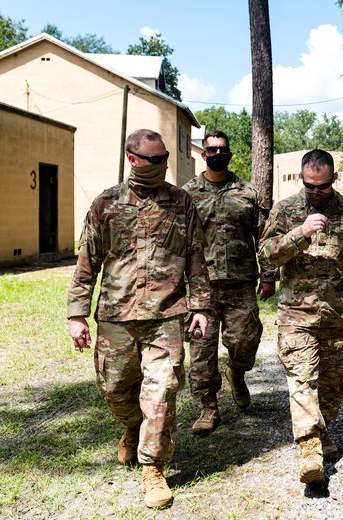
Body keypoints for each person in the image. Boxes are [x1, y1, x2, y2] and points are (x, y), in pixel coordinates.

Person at [67, 129, 211, 508]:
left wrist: (200, 306)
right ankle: (133, 426)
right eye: (155, 159)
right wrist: (77, 314)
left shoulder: (182, 203)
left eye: (166, 158)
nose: (164, 165)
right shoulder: (105, 204)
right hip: (116, 316)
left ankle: (153, 469)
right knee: (114, 389)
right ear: (133, 159)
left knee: (162, 391)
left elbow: (196, 257)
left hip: (167, 315)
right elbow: (87, 264)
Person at [258, 149, 343, 485]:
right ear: (301, 179)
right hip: (297, 315)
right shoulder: (285, 210)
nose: (315, 192)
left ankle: (322, 432)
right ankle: (310, 450)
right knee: (302, 380)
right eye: (309, 186)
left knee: (330, 388)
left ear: (333, 179)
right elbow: (267, 256)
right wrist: (300, 234)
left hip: (340, 315)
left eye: (322, 186)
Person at [182, 131, 276, 436]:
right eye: (212, 149)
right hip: (201, 289)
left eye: (222, 149)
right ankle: (208, 407)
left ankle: (237, 372)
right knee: (201, 353)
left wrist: (269, 275)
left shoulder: (248, 192)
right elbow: (177, 242)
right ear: (203, 154)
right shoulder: (187, 195)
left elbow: (265, 237)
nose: (217, 153)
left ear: (230, 154)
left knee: (245, 343)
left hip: (241, 284)